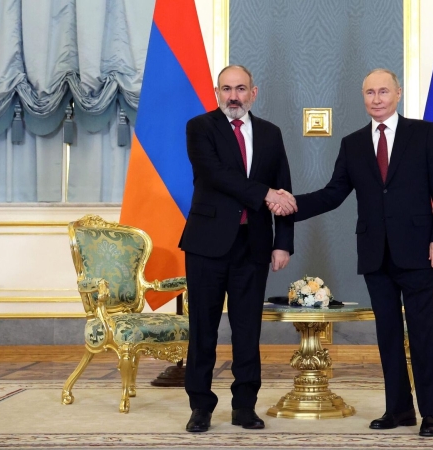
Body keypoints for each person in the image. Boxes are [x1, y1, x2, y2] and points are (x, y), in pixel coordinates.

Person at [269, 68, 433, 437]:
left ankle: (431, 413)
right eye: (370, 92)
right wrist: (292, 204)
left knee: (422, 333)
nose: (377, 99)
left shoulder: (423, 133)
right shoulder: (353, 144)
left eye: (383, 91)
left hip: (418, 251)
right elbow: (333, 194)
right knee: (387, 334)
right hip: (375, 253)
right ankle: (398, 409)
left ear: (398, 94)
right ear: (363, 98)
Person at [180, 65, 297, 433]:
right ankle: (201, 407)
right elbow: (215, 175)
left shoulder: (271, 133)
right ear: (217, 92)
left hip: (254, 245)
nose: (233, 96)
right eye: (227, 89)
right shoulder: (200, 127)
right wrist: (265, 193)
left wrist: (283, 243)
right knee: (203, 329)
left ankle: (245, 407)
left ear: (253, 93)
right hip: (206, 245)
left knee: (248, 331)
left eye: (241, 88)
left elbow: (284, 189)